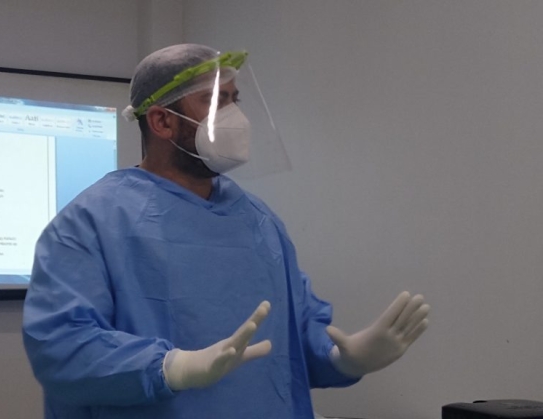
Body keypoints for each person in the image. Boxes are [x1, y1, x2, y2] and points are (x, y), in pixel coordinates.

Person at [23, 43, 430, 419]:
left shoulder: (258, 222)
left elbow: (291, 335)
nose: (235, 116)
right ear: (162, 121)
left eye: (235, 99)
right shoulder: (90, 223)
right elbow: (61, 347)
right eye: (215, 100)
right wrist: (171, 368)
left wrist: (343, 358)